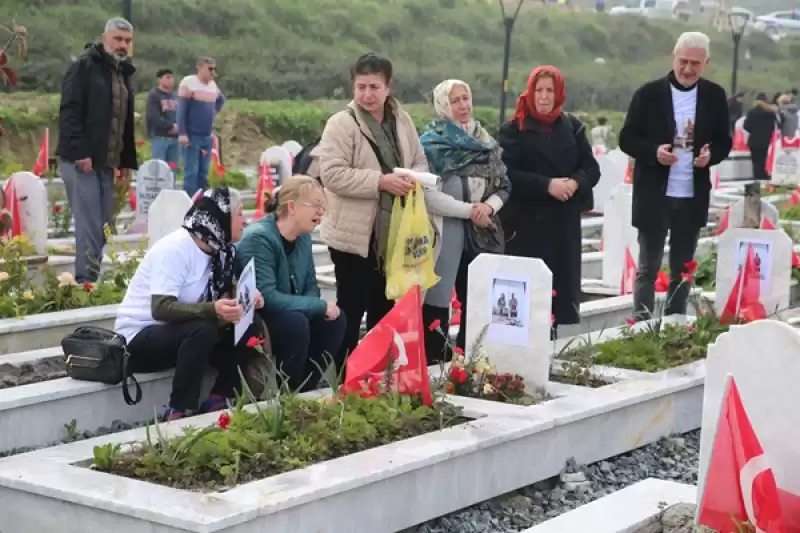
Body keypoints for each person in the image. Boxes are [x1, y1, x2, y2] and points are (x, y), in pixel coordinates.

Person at [312, 53, 430, 362]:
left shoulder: (400, 119)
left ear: (388, 87)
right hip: (354, 236)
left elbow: (417, 159)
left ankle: (375, 374)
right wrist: (381, 181)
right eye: (361, 87)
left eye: (374, 87)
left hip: (394, 231)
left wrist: (412, 178)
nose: (367, 95)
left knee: (385, 305)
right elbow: (333, 175)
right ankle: (341, 377)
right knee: (351, 308)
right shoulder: (341, 124)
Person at [115, 188, 267, 421]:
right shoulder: (176, 249)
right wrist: (213, 309)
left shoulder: (220, 251)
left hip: (182, 334)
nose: (244, 220)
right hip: (141, 335)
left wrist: (245, 298)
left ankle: (220, 395)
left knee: (250, 323)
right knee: (202, 328)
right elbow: (161, 308)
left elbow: (220, 293)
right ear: (221, 217)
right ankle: (179, 409)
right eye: (238, 213)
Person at [619, 32, 732, 321]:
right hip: (655, 194)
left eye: (695, 63)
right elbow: (627, 138)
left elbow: (724, 140)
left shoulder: (714, 96)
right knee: (648, 268)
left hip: (691, 195)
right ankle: (640, 323)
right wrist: (654, 152)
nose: (688, 69)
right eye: (683, 61)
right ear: (674, 57)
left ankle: (674, 323)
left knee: (683, 269)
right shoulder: (649, 93)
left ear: (706, 63)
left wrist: (710, 156)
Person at [499, 65, 600, 338]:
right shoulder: (514, 129)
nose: (544, 97)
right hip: (527, 225)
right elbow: (508, 173)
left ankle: (547, 350)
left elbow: (591, 168)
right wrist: (547, 185)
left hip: (561, 224)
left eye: (550, 91)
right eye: (539, 90)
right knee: (528, 297)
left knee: (556, 294)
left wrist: (574, 183)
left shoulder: (573, 127)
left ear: (559, 95)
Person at [420, 79, 511, 362]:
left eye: (465, 98)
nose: (463, 105)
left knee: (477, 296)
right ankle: (436, 362)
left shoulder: (485, 142)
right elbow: (429, 196)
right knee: (438, 297)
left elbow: (504, 185)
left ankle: (473, 359)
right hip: (444, 232)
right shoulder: (431, 144)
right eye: (455, 100)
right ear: (443, 106)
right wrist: (470, 210)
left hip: (482, 232)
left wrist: (489, 207)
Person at [236, 176, 347, 391]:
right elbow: (267, 296)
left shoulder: (303, 237)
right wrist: (317, 306)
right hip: (259, 315)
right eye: (315, 205)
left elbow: (310, 285)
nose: (320, 212)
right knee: (296, 323)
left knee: (335, 320)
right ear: (291, 208)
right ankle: (289, 388)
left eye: (322, 207)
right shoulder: (259, 238)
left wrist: (317, 307)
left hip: (291, 309)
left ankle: (307, 386)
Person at [56, 18, 138, 283]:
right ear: (105, 38)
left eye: (127, 41)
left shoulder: (124, 73)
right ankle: (85, 283)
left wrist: (125, 161)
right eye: (118, 39)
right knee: (90, 227)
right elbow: (69, 111)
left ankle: (90, 278)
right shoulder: (84, 67)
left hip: (105, 163)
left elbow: (123, 121)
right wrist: (80, 152)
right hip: (81, 161)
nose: (122, 45)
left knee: (103, 227)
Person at [177, 56, 226, 197]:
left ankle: (201, 202)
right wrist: (182, 132)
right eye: (210, 68)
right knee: (191, 172)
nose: (212, 72)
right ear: (200, 67)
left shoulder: (212, 85)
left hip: (206, 135)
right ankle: (189, 202)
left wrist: (212, 111)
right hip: (192, 135)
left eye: (214, 69)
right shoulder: (189, 83)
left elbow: (220, 99)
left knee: (203, 172)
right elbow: (181, 109)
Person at [147, 68, 180, 167]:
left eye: (172, 77)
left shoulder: (174, 97)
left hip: (174, 139)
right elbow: (153, 116)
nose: (171, 80)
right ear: (159, 79)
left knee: (172, 170)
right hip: (160, 137)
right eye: (167, 77)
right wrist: (170, 126)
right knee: (159, 170)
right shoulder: (154, 95)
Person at [743, 92, 778, 181]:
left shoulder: (752, 112)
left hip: (754, 141)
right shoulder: (771, 113)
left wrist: (753, 131)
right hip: (766, 141)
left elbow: (746, 126)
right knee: (763, 160)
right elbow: (774, 127)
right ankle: (764, 178)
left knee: (755, 162)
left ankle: (756, 182)